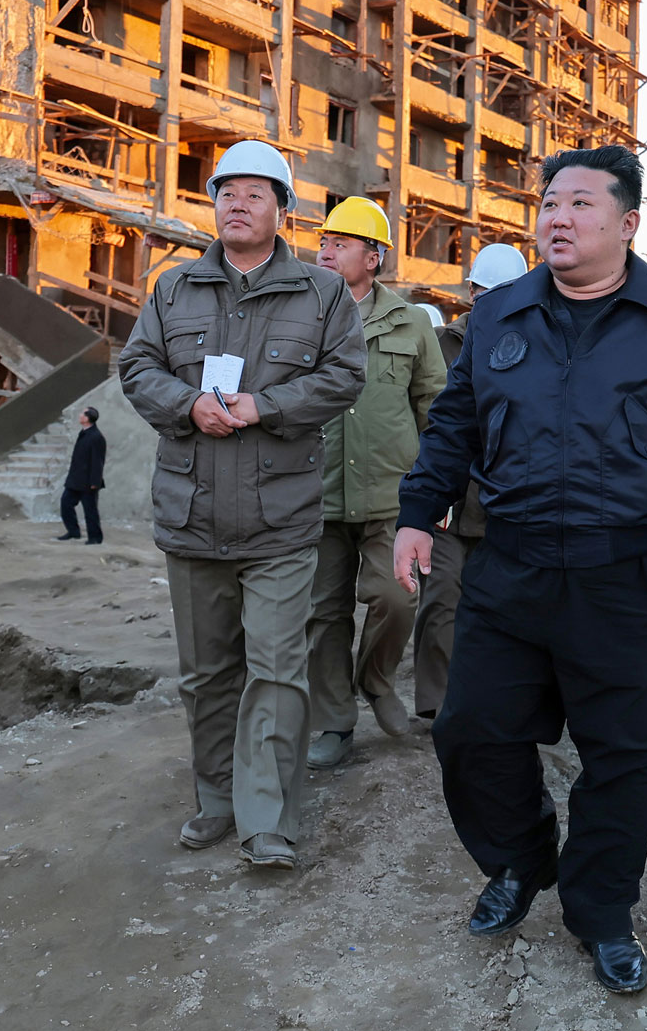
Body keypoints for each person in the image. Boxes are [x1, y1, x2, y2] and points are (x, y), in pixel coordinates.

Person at [392, 145, 647, 995]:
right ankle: (523, 857)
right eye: (548, 204)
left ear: (629, 222)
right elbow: (453, 427)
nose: (557, 218)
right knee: (471, 730)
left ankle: (601, 910)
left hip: (631, 570)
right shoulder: (501, 316)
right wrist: (418, 513)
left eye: (579, 203)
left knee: (621, 754)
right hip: (513, 562)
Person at [118, 139, 366, 871]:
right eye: (226, 190)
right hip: (192, 514)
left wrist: (266, 405)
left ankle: (269, 820)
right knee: (205, 673)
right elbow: (135, 365)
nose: (236, 202)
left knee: (277, 669)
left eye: (255, 193)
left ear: (283, 209)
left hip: (280, 519)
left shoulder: (321, 294)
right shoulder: (174, 289)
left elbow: (345, 377)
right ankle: (218, 800)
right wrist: (188, 403)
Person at [304, 196, 447, 768]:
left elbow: (435, 408)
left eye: (340, 243)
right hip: (316, 492)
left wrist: (434, 487)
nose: (326, 252)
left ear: (374, 256)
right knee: (322, 613)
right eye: (324, 243)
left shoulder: (411, 322)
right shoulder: (303, 317)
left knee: (396, 597)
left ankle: (377, 680)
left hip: (393, 493)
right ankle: (334, 724)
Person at [411, 242, 529, 726]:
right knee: (441, 600)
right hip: (447, 500)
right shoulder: (442, 346)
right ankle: (439, 705)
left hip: (507, 502)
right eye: (486, 294)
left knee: (501, 608)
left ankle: (493, 699)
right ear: (472, 294)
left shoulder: (533, 345)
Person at [54, 406, 106, 544]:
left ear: (87, 418)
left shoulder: (96, 437)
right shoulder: (83, 433)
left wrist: (95, 481)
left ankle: (95, 538)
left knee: (90, 511)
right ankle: (73, 532)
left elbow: (98, 461)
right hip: (75, 480)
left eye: (82, 413)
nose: (79, 415)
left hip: (88, 482)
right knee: (66, 504)